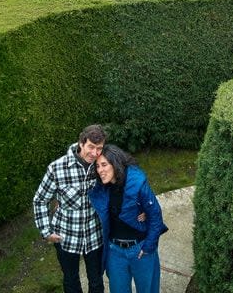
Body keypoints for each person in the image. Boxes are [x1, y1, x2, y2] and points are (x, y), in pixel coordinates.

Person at [33, 124, 107, 293]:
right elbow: (40, 200)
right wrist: (46, 231)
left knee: (96, 281)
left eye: (99, 148)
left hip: (95, 236)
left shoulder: (102, 165)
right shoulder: (57, 168)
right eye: (91, 147)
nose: (95, 153)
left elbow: (119, 186)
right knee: (71, 281)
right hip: (66, 237)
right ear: (81, 143)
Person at [90, 144, 168, 293]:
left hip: (140, 249)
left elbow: (155, 216)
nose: (100, 170)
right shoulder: (101, 187)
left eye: (104, 165)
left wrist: (149, 247)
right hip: (115, 252)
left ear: (115, 163)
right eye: (98, 166)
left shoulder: (136, 183)